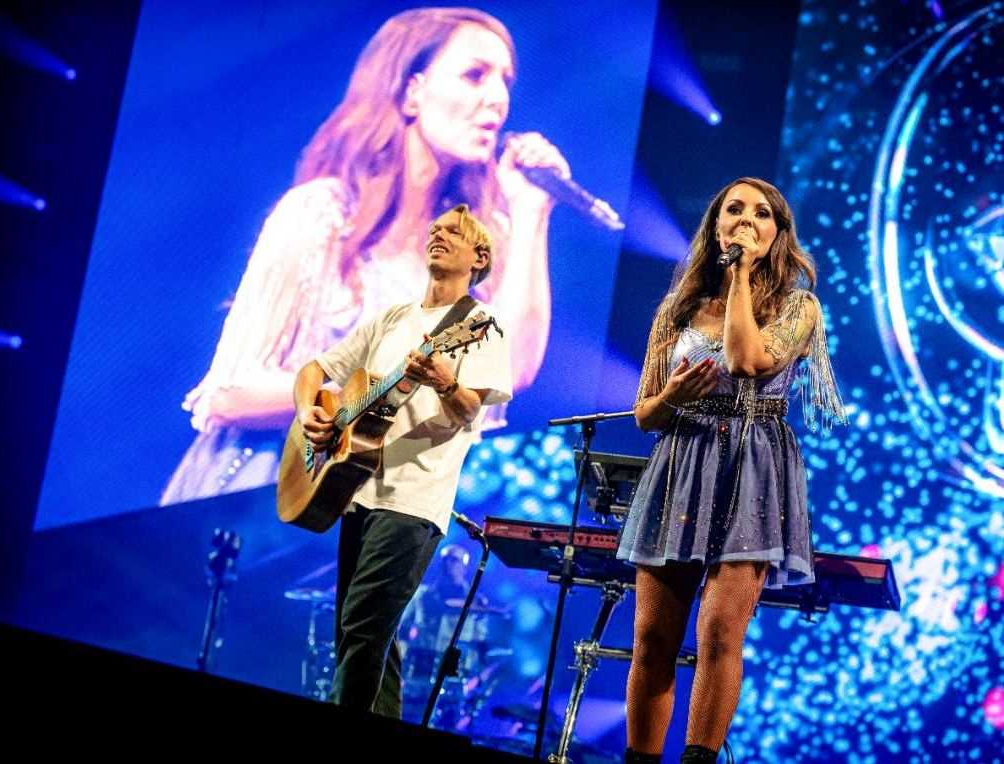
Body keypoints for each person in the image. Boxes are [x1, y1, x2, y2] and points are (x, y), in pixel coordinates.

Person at [162, 6, 566, 504]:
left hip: (374, 510)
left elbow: (511, 371)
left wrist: (531, 212)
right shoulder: (323, 215)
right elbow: (228, 395)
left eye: (505, 81)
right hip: (261, 493)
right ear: (411, 90)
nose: (498, 100)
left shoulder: (475, 247)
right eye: (474, 75)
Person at [616, 178, 848, 763]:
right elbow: (645, 413)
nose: (747, 220)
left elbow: (747, 361)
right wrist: (671, 395)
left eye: (762, 214)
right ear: (715, 226)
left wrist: (741, 275)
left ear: (777, 235)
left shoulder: (799, 306)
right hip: (681, 461)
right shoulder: (679, 310)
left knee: (720, 635)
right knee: (651, 639)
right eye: (734, 210)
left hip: (752, 467)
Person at [293, 204, 512, 719]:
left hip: (413, 504)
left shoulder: (479, 326)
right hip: (356, 492)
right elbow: (315, 369)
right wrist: (310, 413)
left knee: (362, 628)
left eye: (453, 233)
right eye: (435, 230)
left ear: (479, 256)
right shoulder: (393, 317)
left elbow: (467, 412)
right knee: (367, 638)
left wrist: (445, 382)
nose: (438, 236)